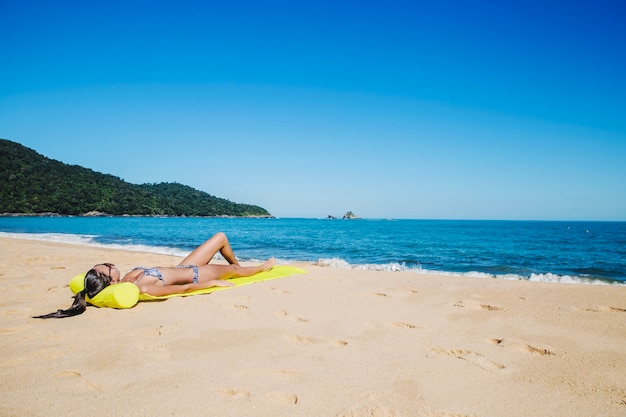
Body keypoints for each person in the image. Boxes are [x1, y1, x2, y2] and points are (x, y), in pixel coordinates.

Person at [34, 232, 275, 319]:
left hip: (182, 267)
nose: (111, 263)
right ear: (111, 279)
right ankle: (260, 269)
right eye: (108, 265)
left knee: (220, 237)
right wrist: (212, 283)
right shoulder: (141, 288)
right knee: (233, 271)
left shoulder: (128, 278)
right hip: (194, 275)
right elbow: (180, 289)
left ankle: (240, 267)